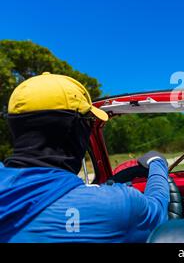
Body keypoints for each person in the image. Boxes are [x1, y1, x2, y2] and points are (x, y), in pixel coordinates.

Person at [0, 72, 169, 242]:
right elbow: (159, 211)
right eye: (89, 122)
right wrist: (157, 163)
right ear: (77, 130)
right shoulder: (117, 207)